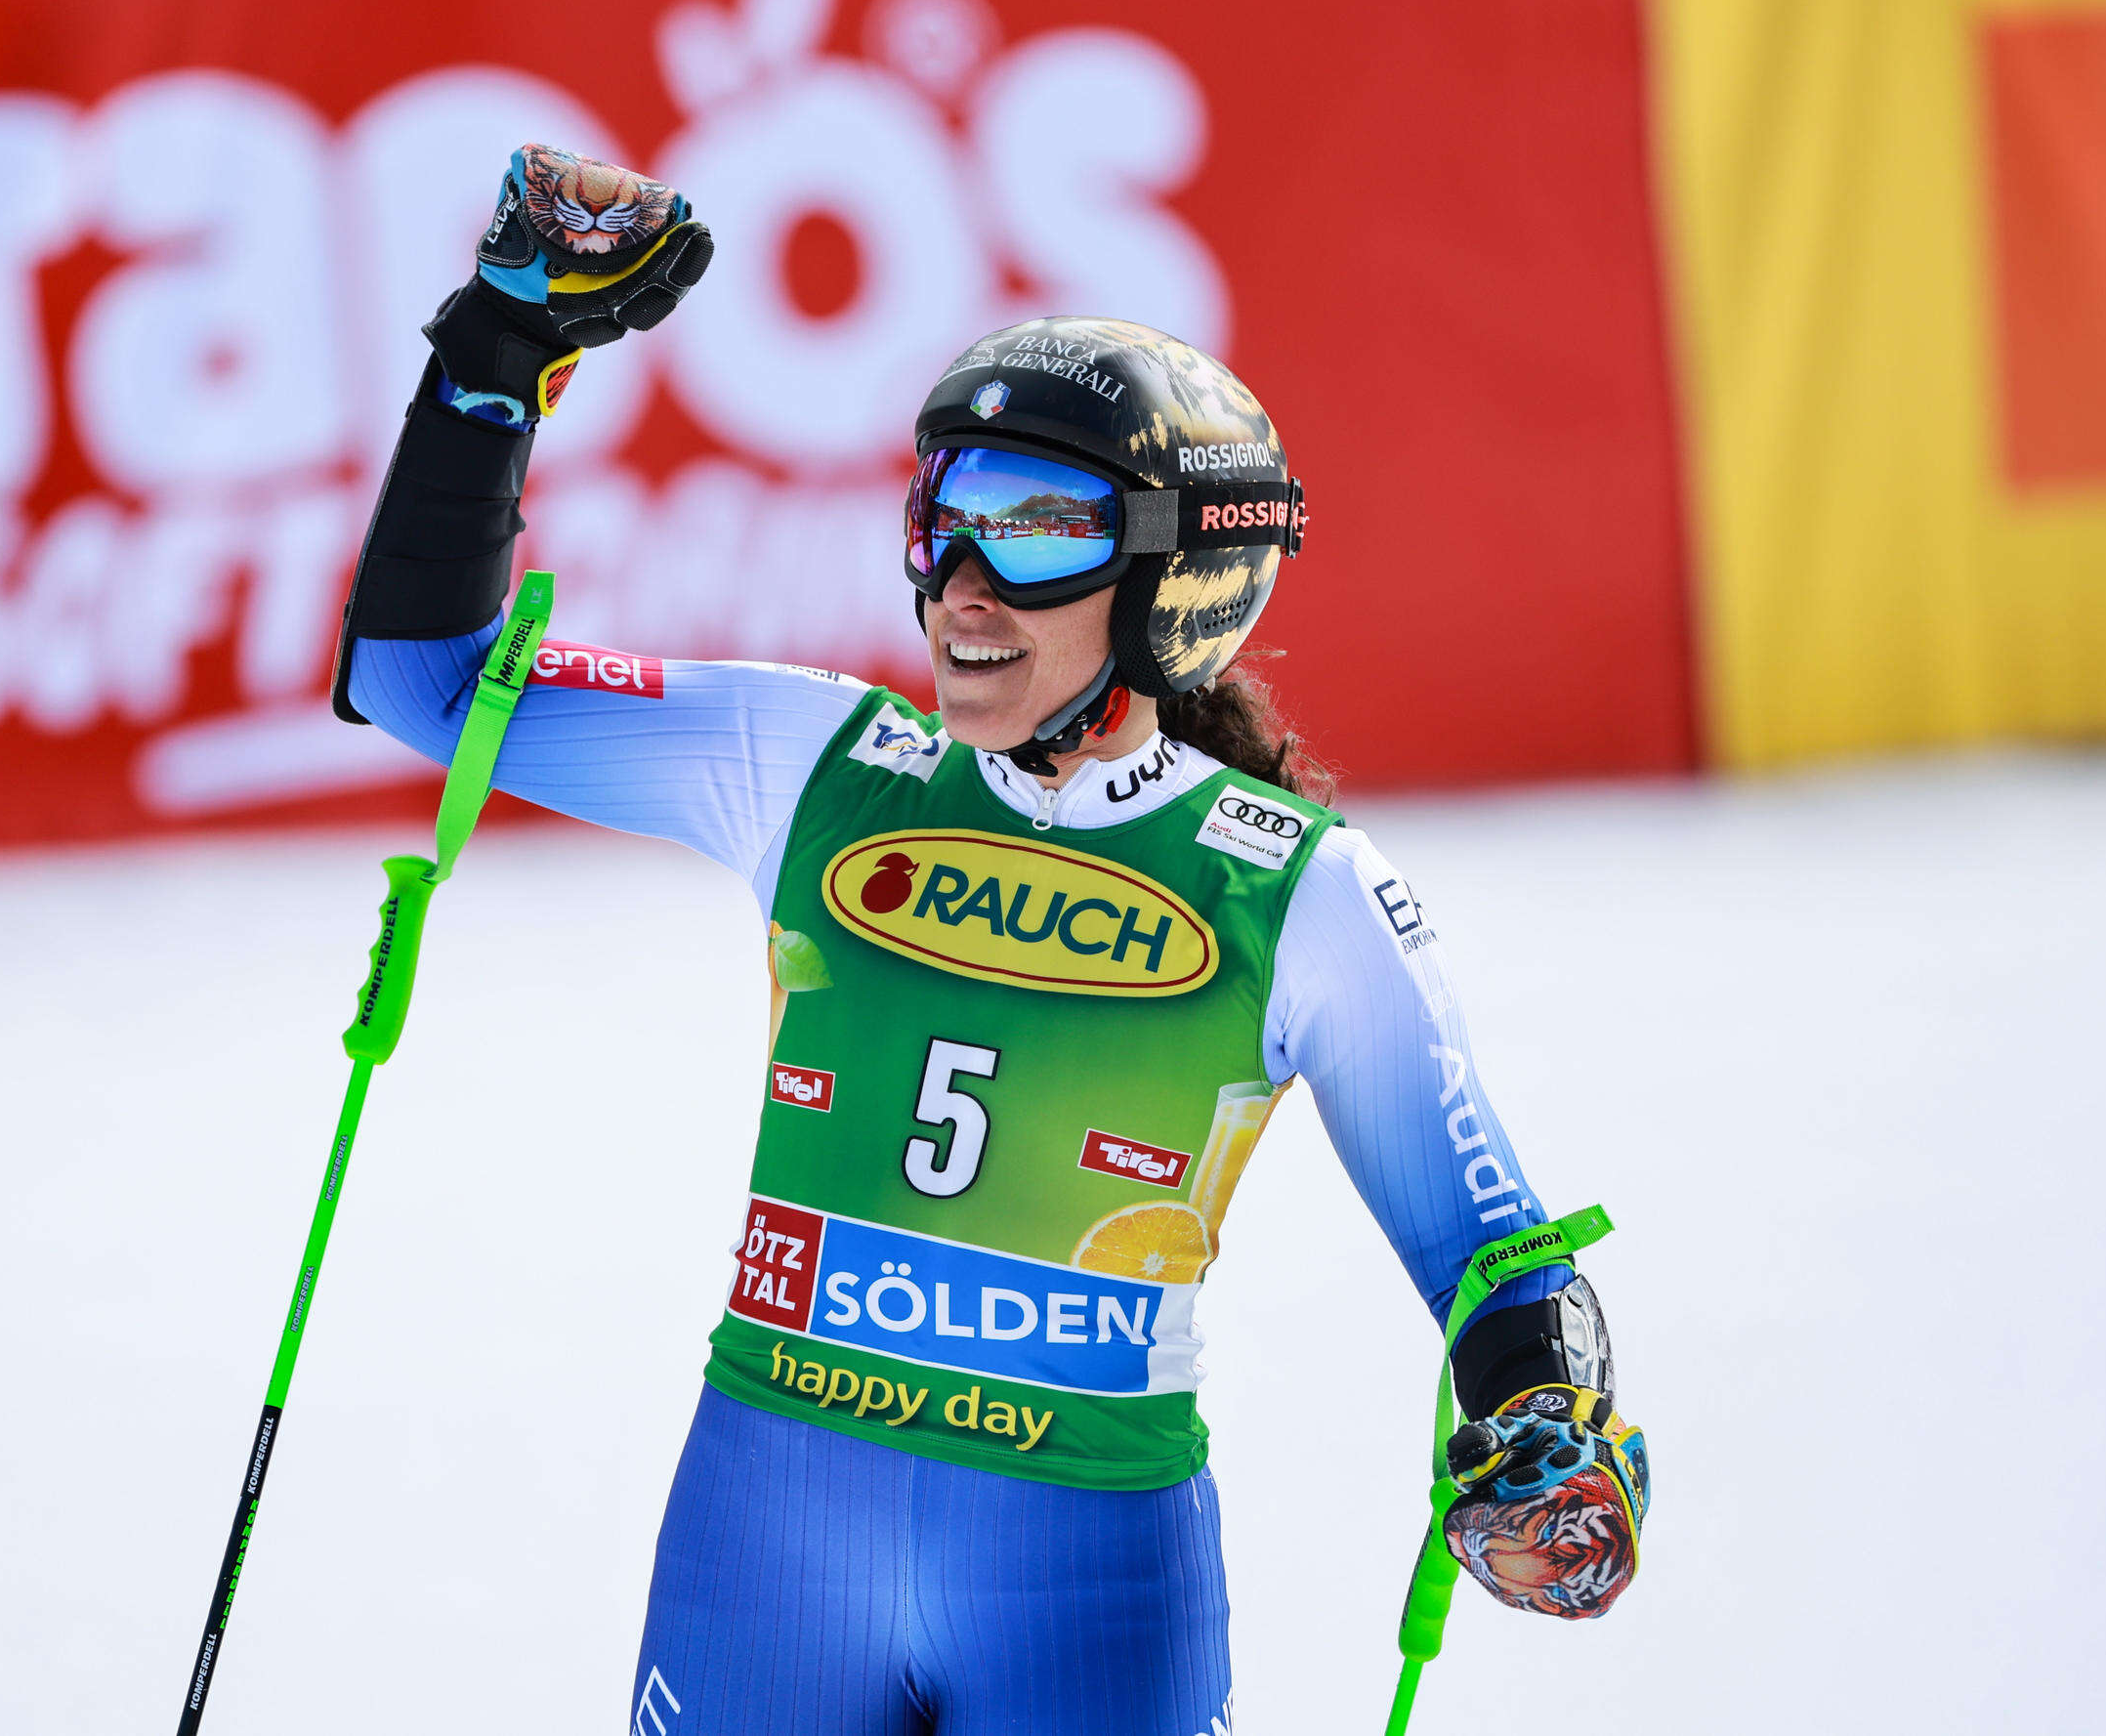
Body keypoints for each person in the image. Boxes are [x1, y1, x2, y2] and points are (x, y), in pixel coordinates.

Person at [334, 145, 1650, 1735]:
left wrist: (1552, 1416)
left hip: (1082, 1580)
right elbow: (424, 686)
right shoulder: (811, 760)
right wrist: (496, 348)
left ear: (1177, 580)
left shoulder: (1297, 891)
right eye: (941, 518)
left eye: (1030, 534)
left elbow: (1496, 1251)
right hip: (768, 1541)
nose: (960, 585)